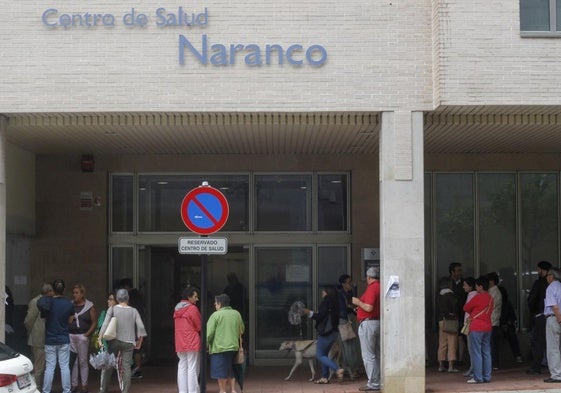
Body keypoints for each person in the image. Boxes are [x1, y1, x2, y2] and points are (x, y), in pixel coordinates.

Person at [97, 288, 147, 393]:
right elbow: (141, 327)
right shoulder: (133, 311)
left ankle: (103, 389)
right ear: (127, 298)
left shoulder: (112, 309)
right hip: (129, 342)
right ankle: (125, 391)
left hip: (114, 341)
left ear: (118, 298)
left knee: (108, 364)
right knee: (126, 367)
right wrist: (140, 341)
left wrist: (100, 337)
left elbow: (105, 324)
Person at [303, 285, 344, 384]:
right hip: (334, 332)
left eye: (323, 291)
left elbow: (320, 316)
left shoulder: (326, 302)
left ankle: (337, 369)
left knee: (320, 355)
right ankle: (324, 377)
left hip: (326, 333)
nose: (322, 293)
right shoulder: (335, 303)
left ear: (327, 293)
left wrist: (309, 313)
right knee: (324, 354)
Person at [39, 279, 75, 393]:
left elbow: (44, 317)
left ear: (53, 290)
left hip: (50, 339)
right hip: (63, 338)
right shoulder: (69, 303)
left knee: (50, 367)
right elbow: (70, 321)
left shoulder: (48, 303)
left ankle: (46, 391)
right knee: (64, 366)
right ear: (64, 290)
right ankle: (66, 390)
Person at [207, 293, 244, 393]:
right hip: (233, 347)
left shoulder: (215, 315)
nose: (215, 305)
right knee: (231, 369)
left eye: (215, 303)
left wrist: (206, 345)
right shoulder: (236, 314)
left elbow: (209, 334)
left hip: (219, 348)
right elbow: (242, 329)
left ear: (220, 304)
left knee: (220, 370)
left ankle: (222, 390)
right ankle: (232, 390)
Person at [352, 266, 381, 392]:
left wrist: (358, 302)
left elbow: (368, 307)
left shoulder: (372, 288)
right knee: (378, 354)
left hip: (369, 324)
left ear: (368, 277)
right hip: (379, 322)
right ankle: (380, 381)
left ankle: (374, 383)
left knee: (368, 355)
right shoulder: (380, 286)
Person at [463, 275, 494, 384]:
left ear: (480, 286)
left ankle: (477, 377)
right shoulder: (490, 298)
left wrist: (473, 313)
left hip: (476, 327)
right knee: (486, 352)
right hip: (487, 327)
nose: (476, 288)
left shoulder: (477, 297)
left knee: (476, 352)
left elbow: (465, 308)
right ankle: (487, 376)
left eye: (477, 286)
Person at [24, 282, 53, 390]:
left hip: (43, 338)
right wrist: (30, 333)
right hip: (38, 339)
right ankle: (35, 388)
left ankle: (38, 387)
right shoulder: (36, 302)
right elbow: (29, 320)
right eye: (52, 291)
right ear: (48, 291)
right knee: (39, 366)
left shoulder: (48, 301)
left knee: (41, 366)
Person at [69, 284, 97, 393]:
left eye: (77, 293)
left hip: (82, 336)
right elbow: (67, 320)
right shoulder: (70, 305)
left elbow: (94, 322)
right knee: (74, 361)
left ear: (82, 294)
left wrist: (87, 334)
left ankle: (84, 386)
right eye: (73, 293)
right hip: (71, 335)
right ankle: (74, 385)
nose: (74, 295)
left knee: (83, 361)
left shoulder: (89, 306)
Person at [174, 287, 201, 393]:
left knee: (182, 366)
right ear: (189, 297)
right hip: (192, 341)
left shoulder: (177, 309)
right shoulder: (192, 309)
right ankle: (193, 391)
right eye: (195, 296)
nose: (197, 299)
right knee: (192, 368)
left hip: (180, 341)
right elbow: (199, 326)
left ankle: (183, 391)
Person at [527, 260, 552, 375]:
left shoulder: (539, 283)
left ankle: (536, 366)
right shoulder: (555, 284)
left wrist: (533, 312)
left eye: (538, 269)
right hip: (554, 315)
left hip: (541, 315)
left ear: (543, 270)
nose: (537, 271)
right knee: (554, 343)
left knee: (538, 342)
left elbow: (532, 300)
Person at [336, 274, 362, 379]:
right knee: (348, 346)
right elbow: (343, 309)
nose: (351, 284)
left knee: (353, 345)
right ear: (343, 284)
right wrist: (351, 308)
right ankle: (351, 369)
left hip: (350, 319)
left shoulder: (350, 293)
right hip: (344, 321)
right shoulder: (340, 295)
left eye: (351, 282)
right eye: (348, 282)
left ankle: (350, 368)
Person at [119, 278, 146, 380]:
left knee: (135, 348)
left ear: (126, 287)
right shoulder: (138, 295)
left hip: (133, 325)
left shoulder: (131, 296)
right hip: (138, 323)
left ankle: (136, 369)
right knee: (137, 347)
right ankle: (136, 369)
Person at [436, 277, 459, 373]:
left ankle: (441, 365)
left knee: (442, 343)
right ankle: (451, 366)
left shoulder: (439, 295)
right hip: (450, 321)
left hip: (441, 321)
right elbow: (454, 307)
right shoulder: (450, 294)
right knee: (452, 343)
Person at [543, 267, 561, 383]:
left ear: (552, 276)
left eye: (547, 275)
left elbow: (554, 306)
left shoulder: (551, 288)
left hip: (554, 319)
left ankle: (556, 375)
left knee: (553, 348)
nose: (546, 278)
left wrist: (559, 320)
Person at [498, 283, 523, 364]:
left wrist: (507, 323)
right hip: (498, 325)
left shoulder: (507, 304)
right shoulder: (496, 303)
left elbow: (512, 317)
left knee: (512, 334)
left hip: (507, 325)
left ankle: (517, 356)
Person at [486, 272, 502, 370]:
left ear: (491, 281)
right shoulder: (492, 291)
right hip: (492, 320)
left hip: (492, 320)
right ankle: (493, 363)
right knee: (491, 343)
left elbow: (490, 306)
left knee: (491, 343)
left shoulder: (494, 292)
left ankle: (494, 363)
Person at [461, 277, 477, 378]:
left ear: (471, 286)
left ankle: (473, 369)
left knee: (472, 349)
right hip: (471, 324)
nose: (463, 287)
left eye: (465, 285)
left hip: (470, 324)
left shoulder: (473, 295)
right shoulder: (471, 295)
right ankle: (473, 368)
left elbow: (468, 309)